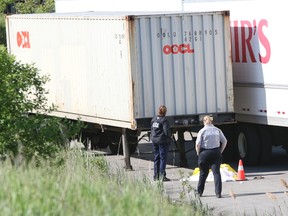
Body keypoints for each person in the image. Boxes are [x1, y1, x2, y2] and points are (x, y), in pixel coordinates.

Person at [195, 115, 227, 198]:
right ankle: (218, 193)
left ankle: (199, 192)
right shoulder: (217, 130)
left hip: (205, 153)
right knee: (216, 173)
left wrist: (198, 153)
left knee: (203, 173)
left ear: (204, 122)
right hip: (216, 152)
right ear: (211, 121)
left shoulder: (202, 131)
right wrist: (220, 151)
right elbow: (224, 141)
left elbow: (198, 144)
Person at [151, 105, 172, 181]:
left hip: (154, 140)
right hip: (162, 141)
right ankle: (162, 176)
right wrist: (170, 138)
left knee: (156, 158)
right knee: (162, 158)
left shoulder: (154, 119)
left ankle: (156, 176)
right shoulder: (164, 120)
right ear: (165, 112)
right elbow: (166, 132)